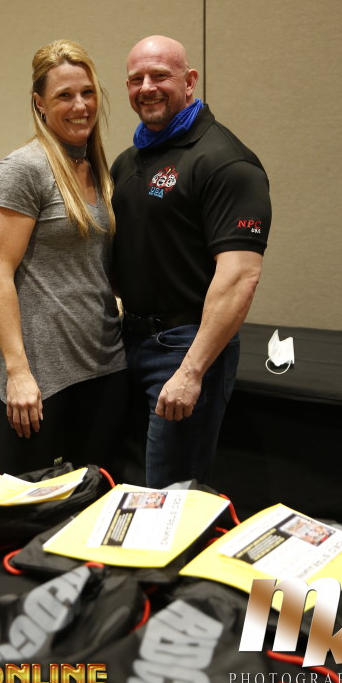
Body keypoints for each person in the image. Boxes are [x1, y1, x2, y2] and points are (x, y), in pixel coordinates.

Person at [111, 34, 271, 489]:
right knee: (126, 485)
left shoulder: (226, 162)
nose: (147, 87)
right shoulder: (127, 162)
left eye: (160, 75)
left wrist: (191, 370)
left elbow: (240, 276)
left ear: (190, 80)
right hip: (127, 342)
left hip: (183, 348)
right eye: (136, 79)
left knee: (170, 495)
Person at [0, 39, 127, 478]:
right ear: (39, 103)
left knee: (96, 497)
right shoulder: (22, 170)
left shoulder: (97, 168)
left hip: (103, 365)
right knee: (27, 504)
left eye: (87, 92)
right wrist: (18, 374)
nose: (80, 105)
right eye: (64, 95)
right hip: (39, 377)